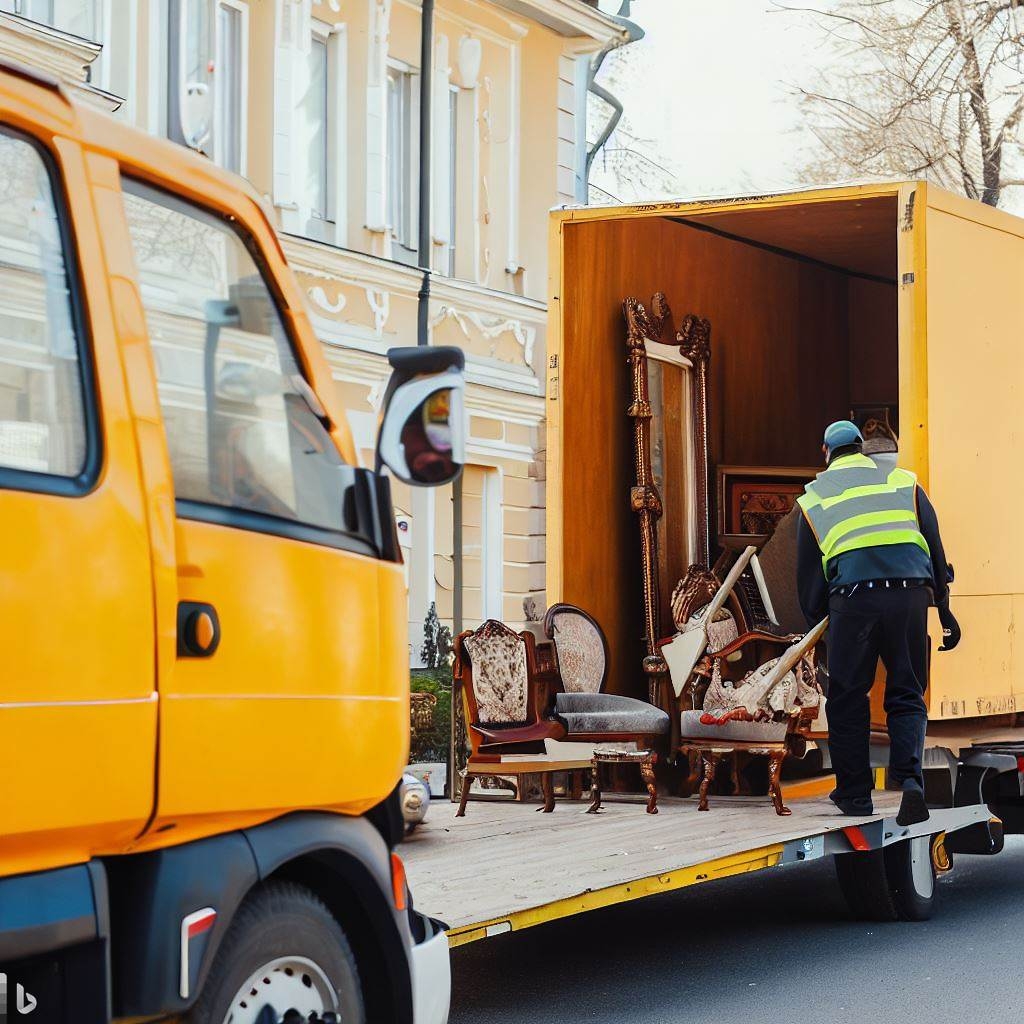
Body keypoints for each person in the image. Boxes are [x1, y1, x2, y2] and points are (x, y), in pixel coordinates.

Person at [796, 420, 961, 826]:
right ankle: (911, 782)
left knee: (849, 697)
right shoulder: (904, 482)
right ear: (862, 448)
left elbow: (809, 585)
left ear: (826, 452)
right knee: (907, 691)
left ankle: (855, 796)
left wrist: (823, 620)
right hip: (909, 594)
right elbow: (936, 550)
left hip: (853, 598)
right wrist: (944, 609)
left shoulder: (814, 498)